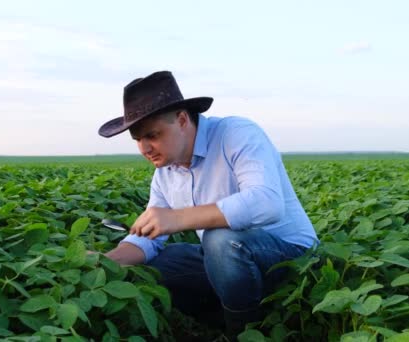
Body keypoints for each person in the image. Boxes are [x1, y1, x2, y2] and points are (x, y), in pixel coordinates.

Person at [98, 71, 318, 338]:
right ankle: (219, 321)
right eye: (138, 140)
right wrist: (104, 262)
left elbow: (267, 202)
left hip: (291, 255)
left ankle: (244, 333)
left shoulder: (236, 134)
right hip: (225, 262)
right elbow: (148, 239)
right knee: (157, 264)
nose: (145, 148)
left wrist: (178, 218)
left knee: (221, 240)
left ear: (181, 120)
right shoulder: (165, 174)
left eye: (152, 135)